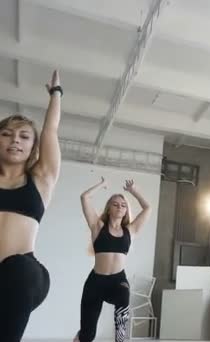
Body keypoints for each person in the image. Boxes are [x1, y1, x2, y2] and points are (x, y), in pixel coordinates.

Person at [0, 70, 62, 342]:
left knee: (18, 269)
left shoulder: (41, 178)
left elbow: (50, 131)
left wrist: (56, 95)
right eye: (6, 134)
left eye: (24, 136)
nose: (15, 140)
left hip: (25, 273)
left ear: (34, 146)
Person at [75, 177, 151, 342]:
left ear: (126, 211)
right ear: (108, 208)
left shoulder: (130, 231)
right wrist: (101, 185)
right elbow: (84, 197)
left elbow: (147, 208)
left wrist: (134, 191)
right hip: (95, 282)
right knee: (87, 334)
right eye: (115, 204)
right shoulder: (97, 227)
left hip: (118, 281)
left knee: (124, 296)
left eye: (123, 205)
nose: (119, 207)